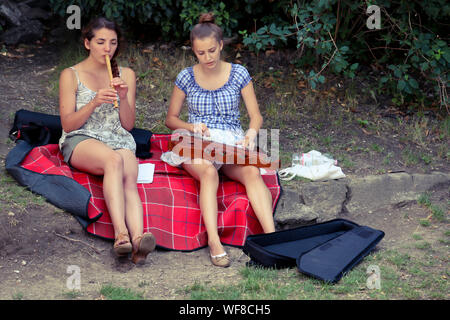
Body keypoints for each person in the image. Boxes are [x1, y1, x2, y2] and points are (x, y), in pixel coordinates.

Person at [163, 12, 275, 268]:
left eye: (212, 50)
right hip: (196, 139)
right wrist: (190, 126)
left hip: (230, 141)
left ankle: (273, 239)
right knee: (209, 174)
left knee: (252, 172)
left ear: (221, 45)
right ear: (193, 50)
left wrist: (250, 134)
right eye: (201, 53)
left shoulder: (238, 73)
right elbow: (170, 119)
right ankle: (214, 241)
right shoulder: (186, 76)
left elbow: (256, 116)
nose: (208, 57)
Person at [58, 17, 155, 264]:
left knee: (128, 176)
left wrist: (122, 97)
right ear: (87, 43)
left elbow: (128, 125)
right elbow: (68, 124)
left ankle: (138, 241)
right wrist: (93, 102)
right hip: (81, 137)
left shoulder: (126, 74)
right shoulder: (71, 75)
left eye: (112, 43)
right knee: (113, 160)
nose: (107, 48)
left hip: (117, 136)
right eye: (100, 42)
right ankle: (120, 234)